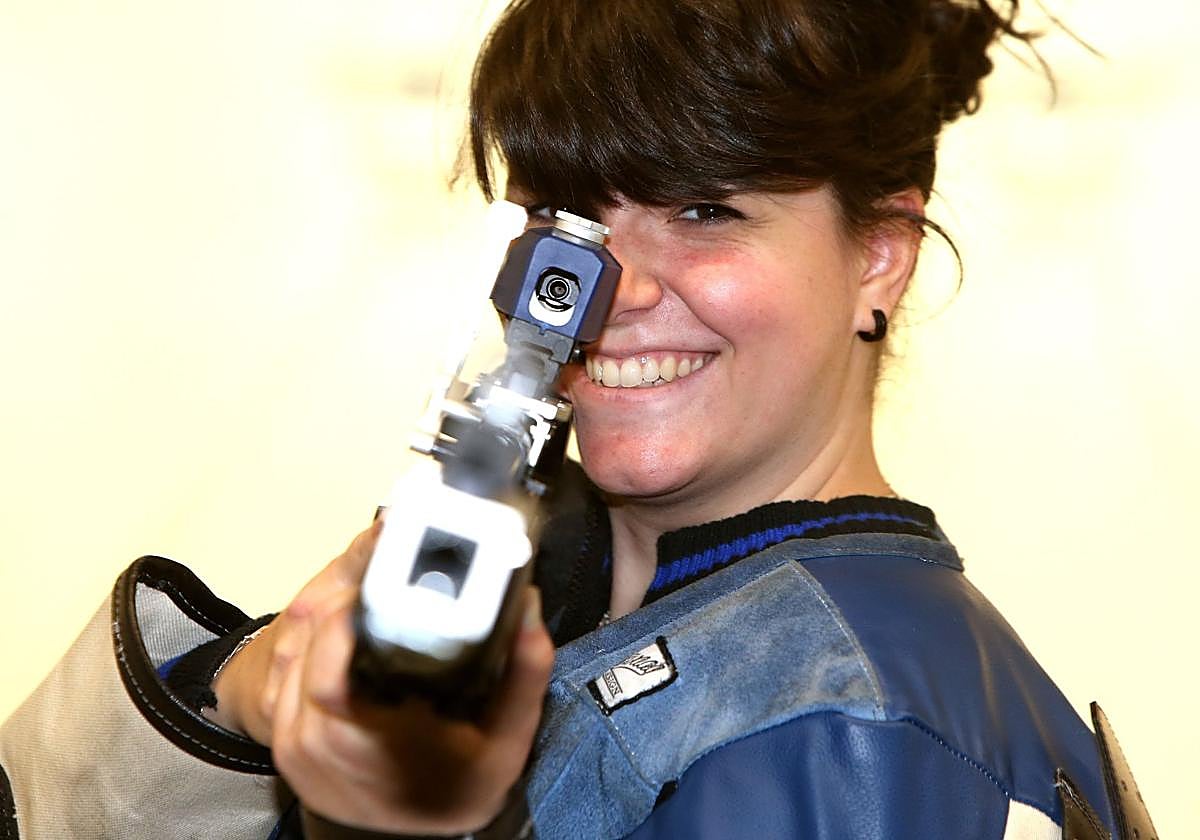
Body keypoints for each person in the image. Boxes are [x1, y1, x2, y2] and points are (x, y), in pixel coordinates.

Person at [0, 0, 1158, 838]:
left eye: (706, 209)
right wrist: (255, 689)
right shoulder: (540, 566)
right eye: (564, 216)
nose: (614, 291)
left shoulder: (843, 719)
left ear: (880, 260)